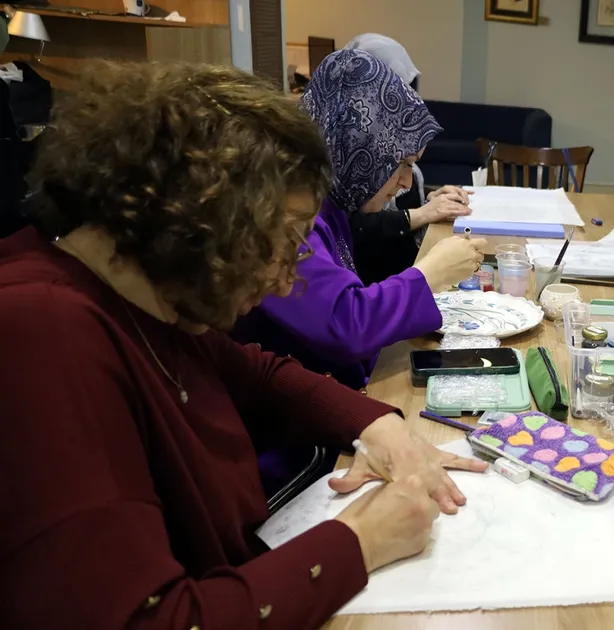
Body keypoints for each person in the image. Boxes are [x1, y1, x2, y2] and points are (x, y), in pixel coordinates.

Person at [0, 60, 488, 629]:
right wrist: (359, 541)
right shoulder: (40, 334)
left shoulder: (150, 295)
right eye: (282, 243)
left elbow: (258, 373)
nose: (284, 283)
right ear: (197, 219)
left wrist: (377, 423)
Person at [234, 50, 486, 389]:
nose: (406, 182)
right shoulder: (290, 215)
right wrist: (429, 275)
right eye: (402, 163)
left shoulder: (333, 205)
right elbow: (344, 326)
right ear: (359, 146)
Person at [342, 33, 473, 284]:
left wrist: (431, 199)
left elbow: (401, 195)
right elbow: (354, 226)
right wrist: (422, 213)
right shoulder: (346, 154)